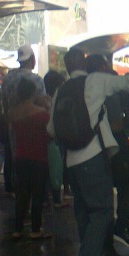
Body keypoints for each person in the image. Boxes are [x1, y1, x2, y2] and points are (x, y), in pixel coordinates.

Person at [47, 47, 129, 256]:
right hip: (93, 158)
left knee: (83, 213)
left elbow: (50, 130)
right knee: (102, 212)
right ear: (84, 64)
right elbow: (127, 82)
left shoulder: (60, 91)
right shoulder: (94, 81)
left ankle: (92, 255)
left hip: (71, 162)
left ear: (67, 66)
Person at [86, 54, 129, 249]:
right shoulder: (106, 86)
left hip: (90, 148)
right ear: (102, 67)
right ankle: (121, 226)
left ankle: (104, 239)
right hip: (114, 142)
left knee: (104, 189)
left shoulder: (83, 86)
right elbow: (117, 121)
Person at [0, 44, 49, 197]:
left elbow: (5, 104)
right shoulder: (36, 80)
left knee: (18, 161)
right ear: (33, 60)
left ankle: (20, 199)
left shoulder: (8, 79)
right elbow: (43, 104)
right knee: (35, 165)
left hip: (14, 125)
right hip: (35, 128)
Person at [9, 78, 52, 239]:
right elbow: (50, 134)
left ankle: (18, 229)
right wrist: (48, 106)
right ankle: (35, 229)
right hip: (39, 158)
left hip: (20, 157)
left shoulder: (12, 112)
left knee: (22, 195)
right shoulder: (42, 113)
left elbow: (12, 135)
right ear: (33, 92)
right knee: (37, 194)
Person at [43, 70, 71, 208]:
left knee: (51, 168)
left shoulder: (43, 99)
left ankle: (50, 197)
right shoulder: (53, 100)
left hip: (47, 139)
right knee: (57, 166)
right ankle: (56, 198)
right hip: (56, 138)